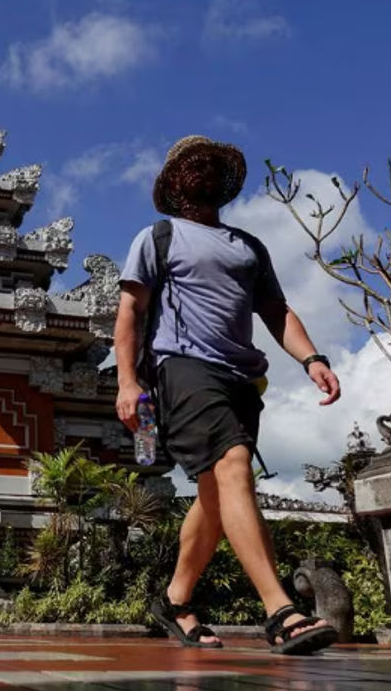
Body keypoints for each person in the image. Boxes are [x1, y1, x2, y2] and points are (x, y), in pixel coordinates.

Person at [114, 135, 342, 656]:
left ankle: (175, 599)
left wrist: (313, 359)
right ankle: (280, 611)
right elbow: (129, 312)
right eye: (192, 166)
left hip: (242, 377)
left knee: (216, 495)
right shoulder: (158, 238)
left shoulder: (248, 247)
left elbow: (277, 312)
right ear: (175, 183)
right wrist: (128, 381)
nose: (202, 172)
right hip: (183, 368)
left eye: (211, 166)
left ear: (224, 182)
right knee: (234, 464)